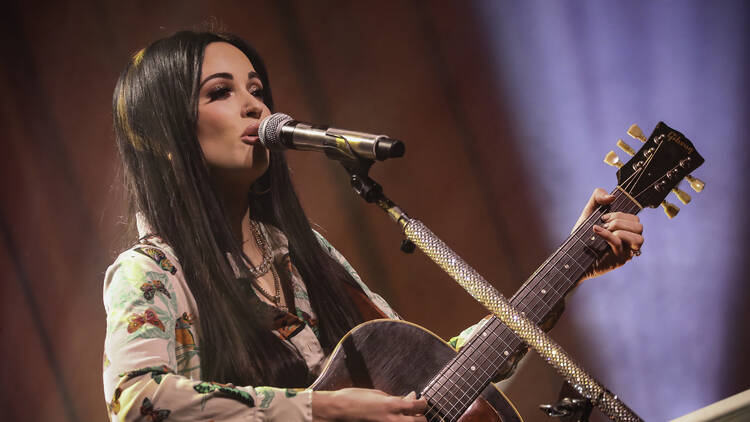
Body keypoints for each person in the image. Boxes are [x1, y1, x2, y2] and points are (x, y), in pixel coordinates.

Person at [103, 30, 644, 422]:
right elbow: (138, 401)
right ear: (164, 136)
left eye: (256, 88)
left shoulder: (304, 252)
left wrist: (567, 268)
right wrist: (325, 408)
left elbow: (429, 382)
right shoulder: (150, 272)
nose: (254, 106)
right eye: (220, 92)